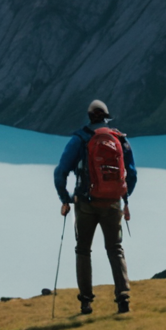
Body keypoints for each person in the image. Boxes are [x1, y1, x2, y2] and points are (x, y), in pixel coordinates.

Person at [53, 98, 136, 315]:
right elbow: (132, 174)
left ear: (89, 116)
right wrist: (124, 199)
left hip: (86, 204)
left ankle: (86, 302)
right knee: (115, 249)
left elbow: (60, 172)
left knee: (83, 250)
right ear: (106, 117)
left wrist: (65, 199)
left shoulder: (80, 139)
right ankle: (123, 299)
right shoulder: (119, 139)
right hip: (113, 204)